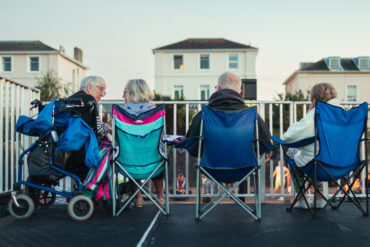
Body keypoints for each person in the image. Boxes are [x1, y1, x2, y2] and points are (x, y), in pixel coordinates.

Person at [186, 72, 272, 202]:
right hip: (245, 168)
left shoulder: (203, 115)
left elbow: (191, 145)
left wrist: (203, 154)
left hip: (211, 168)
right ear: (240, 91)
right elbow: (266, 142)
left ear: (218, 89)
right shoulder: (251, 115)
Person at [282, 82, 339, 209]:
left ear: (314, 98)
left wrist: (306, 117)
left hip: (319, 165)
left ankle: (302, 199)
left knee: (291, 151)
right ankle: (319, 197)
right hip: (342, 164)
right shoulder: (343, 114)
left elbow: (288, 137)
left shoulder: (316, 113)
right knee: (315, 153)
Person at [121, 79, 165, 208]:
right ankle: (161, 197)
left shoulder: (122, 112)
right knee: (159, 155)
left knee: (131, 154)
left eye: (124, 92)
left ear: (132, 93)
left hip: (128, 161)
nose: (122, 95)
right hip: (152, 161)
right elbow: (160, 136)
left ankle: (138, 198)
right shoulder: (155, 111)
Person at [66, 75, 109, 180]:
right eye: (101, 89)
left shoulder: (71, 100)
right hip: (82, 154)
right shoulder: (88, 101)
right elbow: (99, 128)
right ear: (89, 87)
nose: (102, 94)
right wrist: (108, 128)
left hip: (67, 151)